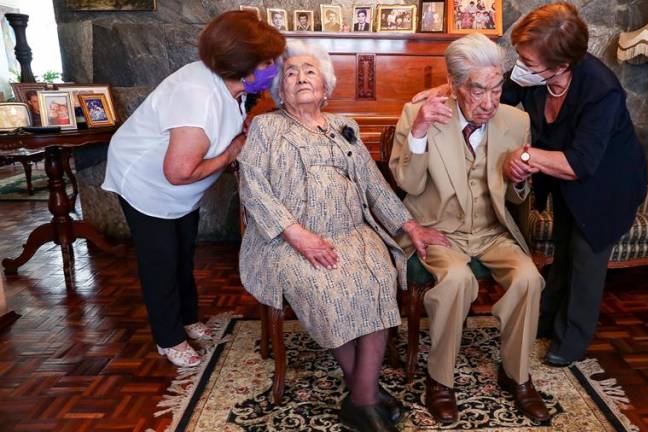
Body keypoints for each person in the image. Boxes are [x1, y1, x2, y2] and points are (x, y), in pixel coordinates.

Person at [238, 40, 449, 432]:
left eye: (310, 72)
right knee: (329, 287)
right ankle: (366, 396)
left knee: (377, 277)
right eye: (291, 73)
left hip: (353, 232)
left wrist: (410, 226)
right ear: (280, 89)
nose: (300, 78)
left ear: (326, 87)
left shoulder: (344, 126)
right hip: (286, 240)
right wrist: (297, 235)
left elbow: (374, 186)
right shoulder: (267, 127)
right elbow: (252, 187)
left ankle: (362, 394)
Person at [101, 11, 285, 368]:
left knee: (184, 251)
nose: (273, 67)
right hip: (146, 182)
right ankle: (167, 338)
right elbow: (179, 172)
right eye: (267, 62)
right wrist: (232, 152)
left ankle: (186, 318)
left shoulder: (233, 85)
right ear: (243, 65)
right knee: (162, 261)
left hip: (179, 188)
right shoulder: (197, 97)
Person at [390, 33, 551, 424]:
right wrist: (420, 133)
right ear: (455, 84)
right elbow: (407, 184)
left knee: (529, 277)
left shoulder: (516, 121)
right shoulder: (421, 114)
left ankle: (518, 376)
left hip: (492, 231)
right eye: (479, 90)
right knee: (458, 280)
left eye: (497, 88)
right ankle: (439, 380)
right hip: (438, 229)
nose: (490, 102)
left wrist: (518, 180)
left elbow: (516, 199)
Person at [502, 2, 647, 367]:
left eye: (528, 62)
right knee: (564, 250)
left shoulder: (601, 90)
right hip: (566, 177)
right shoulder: (534, 73)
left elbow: (581, 163)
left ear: (561, 65)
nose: (520, 66)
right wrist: (449, 94)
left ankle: (572, 341)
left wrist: (524, 158)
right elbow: (497, 94)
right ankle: (547, 321)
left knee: (586, 258)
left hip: (607, 185)